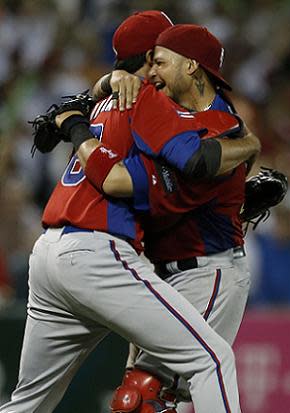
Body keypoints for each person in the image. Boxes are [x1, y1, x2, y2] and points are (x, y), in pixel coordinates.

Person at [0, 11, 260, 413]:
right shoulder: (145, 97)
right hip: (96, 253)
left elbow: (48, 128)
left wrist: (80, 115)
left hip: (49, 255)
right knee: (211, 360)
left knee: (30, 403)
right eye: (155, 56)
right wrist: (248, 147)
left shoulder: (100, 99)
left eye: (165, 58)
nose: (157, 67)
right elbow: (190, 159)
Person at [92, 24, 256, 411]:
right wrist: (106, 82)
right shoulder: (175, 115)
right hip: (161, 273)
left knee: (144, 395)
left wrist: (79, 135)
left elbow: (121, 181)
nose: (151, 73)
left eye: (161, 62)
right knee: (151, 400)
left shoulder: (220, 126)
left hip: (205, 273)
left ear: (192, 67)